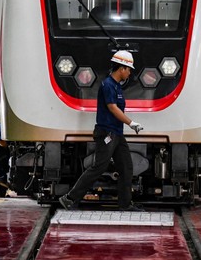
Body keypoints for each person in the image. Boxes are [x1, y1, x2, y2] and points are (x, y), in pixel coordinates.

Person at [59, 50, 144, 211]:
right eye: (129, 69)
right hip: (107, 133)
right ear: (122, 68)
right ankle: (70, 198)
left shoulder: (117, 87)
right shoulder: (108, 85)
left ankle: (125, 205)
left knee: (126, 167)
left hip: (116, 134)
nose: (130, 72)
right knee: (99, 167)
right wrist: (131, 123)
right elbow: (112, 108)